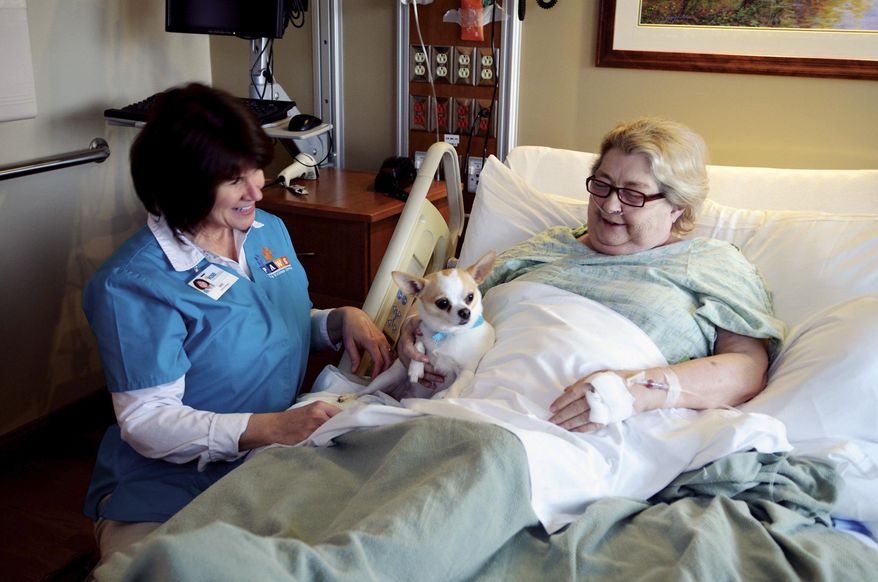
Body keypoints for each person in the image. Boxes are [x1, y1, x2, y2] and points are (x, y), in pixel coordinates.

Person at [82, 83, 393, 561]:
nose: (257, 187)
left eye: (254, 166)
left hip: (270, 463)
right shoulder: (132, 285)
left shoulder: (266, 231)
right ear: (182, 183)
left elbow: (262, 326)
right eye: (234, 179)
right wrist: (272, 427)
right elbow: (148, 421)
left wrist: (335, 321)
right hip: (168, 486)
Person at [398, 117, 785, 432]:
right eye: (602, 185)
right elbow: (455, 302)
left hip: (570, 427)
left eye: (633, 193)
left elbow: (747, 369)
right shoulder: (546, 246)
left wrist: (634, 390)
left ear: (678, 208)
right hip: (463, 401)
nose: (610, 205)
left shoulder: (711, 263)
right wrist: (415, 331)